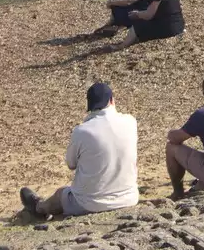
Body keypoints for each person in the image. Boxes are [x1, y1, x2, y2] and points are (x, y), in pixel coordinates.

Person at [19, 82, 139, 220]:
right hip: (129, 197)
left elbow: (71, 164)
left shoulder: (82, 131)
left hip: (90, 204)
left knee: (61, 194)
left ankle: (39, 207)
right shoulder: (130, 122)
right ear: (112, 100)